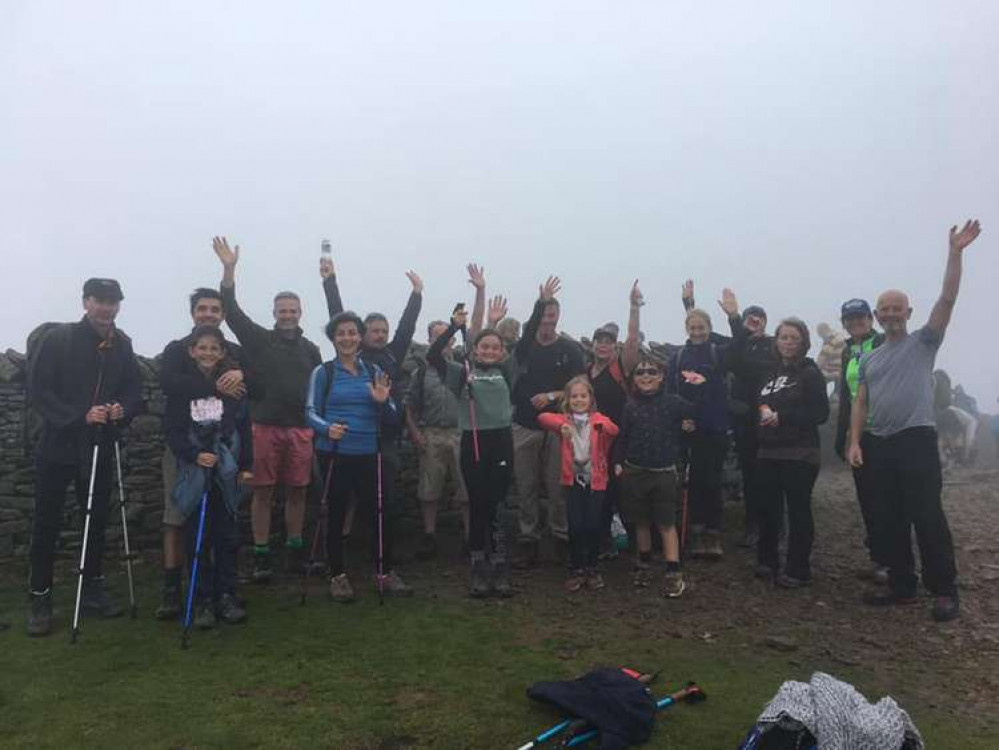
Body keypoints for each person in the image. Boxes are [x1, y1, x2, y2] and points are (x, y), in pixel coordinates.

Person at [849, 219, 982, 622]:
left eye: (897, 308)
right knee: (888, 519)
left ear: (908, 312)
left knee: (926, 514)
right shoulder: (868, 356)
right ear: (876, 314)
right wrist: (855, 441)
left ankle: (943, 590)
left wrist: (955, 253)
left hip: (917, 439)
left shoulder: (924, 341)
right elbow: (860, 400)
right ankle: (902, 585)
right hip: (879, 442)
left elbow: (947, 299)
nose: (891, 314)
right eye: (884, 309)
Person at [26, 278, 144, 637]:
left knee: (95, 519)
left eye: (113, 302)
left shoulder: (122, 344)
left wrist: (123, 408)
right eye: (100, 301)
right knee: (46, 521)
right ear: (86, 302)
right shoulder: (58, 339)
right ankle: (40, 596)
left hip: (99, 444)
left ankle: (92, 587)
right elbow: (38, 390)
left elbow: (134, 390)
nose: (107, 308)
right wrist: (80, 414)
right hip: (58, 445)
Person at [213, 237, 322, 583]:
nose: (287, 315)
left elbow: (319, 389)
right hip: (263, 426)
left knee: (298, 491)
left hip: (301, 428)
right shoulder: (260, 339)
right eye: (282, 311)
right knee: (262, 492)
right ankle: (261, 555)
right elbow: (230, 310)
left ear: (300, 313)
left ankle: (294, 551)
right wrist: (229, 269)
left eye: (292, 310)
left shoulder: (311, 349)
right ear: (274, 314)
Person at [155, 288, 252, 620]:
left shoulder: (236, 360)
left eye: (215, 309)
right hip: (191, 459)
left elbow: (245, 417)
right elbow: (170, 387)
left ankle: (226, 593)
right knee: (189, 525)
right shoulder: (175, 350)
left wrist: (244, 375)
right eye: (202, 308)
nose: (208, 313)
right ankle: (195, 597)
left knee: (226, 531)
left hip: (226, 462)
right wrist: (194, 454)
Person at [321, 249, 422, 560]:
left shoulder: (393, 353)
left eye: (384, 331)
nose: (380, 335)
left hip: (386, 437)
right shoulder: (353, 355)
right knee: (343, 497)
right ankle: (345, 544)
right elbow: (338, 315)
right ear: (361, 334)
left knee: (382, 496)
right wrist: (330, 282)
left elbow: (407, 325)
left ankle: (380, 553)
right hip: (351, 435)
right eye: (374, 331)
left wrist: (416, 294)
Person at [306, 311, 405, 602]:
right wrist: (327, 429)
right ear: (333, 338)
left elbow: (393, 415)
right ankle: (337, 575)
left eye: (352, 332)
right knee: (335, 515)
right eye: (341, 333)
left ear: (360, 337)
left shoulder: (373, 371)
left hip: (369, 453)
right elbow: (309, 411)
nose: (347, 338)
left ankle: (385, 571)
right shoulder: (323, 372)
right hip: (335, 453)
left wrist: (383, 402)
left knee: (380, 513)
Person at [428, 280, 518, 597]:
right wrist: (454, 327)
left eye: (495, 347)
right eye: (484, 347)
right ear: (476, 349)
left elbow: (521, 339)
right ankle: (478, 565)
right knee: (478, 504)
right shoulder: (460, 372)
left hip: (501, 441)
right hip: (473, 441)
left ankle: (500, 563)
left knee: (497, 504)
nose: (490, 351)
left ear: (502, 351)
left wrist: (493, 322)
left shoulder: (507, 370)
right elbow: (433, 354)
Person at [683, 281, 775, 548]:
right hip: (740, 417)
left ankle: (768, 525)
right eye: (749, 318)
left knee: (766, 473)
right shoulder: (730, 345)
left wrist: (735, 318)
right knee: (747, 471)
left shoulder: (773, 345)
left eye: (758, 319)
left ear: (766, 323)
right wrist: (689, 305)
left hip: (768, 416)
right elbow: (701, 334)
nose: (753, 322)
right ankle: (751, 526)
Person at [511, 277, 586, 566]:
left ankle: (561, 538)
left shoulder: (570, 349)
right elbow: (528, 329)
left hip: (559, 427)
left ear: (558, 317)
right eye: (543, 314)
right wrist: (540, 301)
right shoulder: (524, 347)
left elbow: (581, 383)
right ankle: (528, 540)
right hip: (524, 425)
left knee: (558, 486)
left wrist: (554, 394)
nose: (547, 320)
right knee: (526, 485)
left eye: (552, 315)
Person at [667, 289, 745, 560]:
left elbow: (740, 345)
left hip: (714, 428)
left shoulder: (717, 354)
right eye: (693, 327)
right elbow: (671, 393)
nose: (697, 332)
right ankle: (696, 533)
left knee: (712, 482)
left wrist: (734, 316)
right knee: (692, 482)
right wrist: (682, 419)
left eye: (702, 327)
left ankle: (713, 534)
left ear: (710, 329)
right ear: (686, 329)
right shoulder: (678, 358)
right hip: (688, 430)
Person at [613, 353, 699, 598]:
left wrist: (691, 424)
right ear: (634, 379)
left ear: (662, 377)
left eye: (652, 371)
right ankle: (644, 563)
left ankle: (673, 570)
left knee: (666, 522)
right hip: (635, 470)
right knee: (640, 521)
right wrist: (618, 462)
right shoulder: (630, 406)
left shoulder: (675, 403)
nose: (646, 376)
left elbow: (697, 415)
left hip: (664, 472)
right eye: (640, 372)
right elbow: (623, 437)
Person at [754, 318, 830, 587]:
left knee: (798, 510)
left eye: (793, 338)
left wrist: (782, 417)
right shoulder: (769, 373)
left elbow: (820, 412)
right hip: (768, 452)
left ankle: (798, 569)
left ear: (803, 343)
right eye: (783, 337)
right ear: (776, 341)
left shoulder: (810, 373)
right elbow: (761, 400)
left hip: (800, 454)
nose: (787, 343)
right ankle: (767, 560)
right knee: (768, 510)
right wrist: (762, 410)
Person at [538, 376, 619, 592]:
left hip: (596, 481)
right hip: (573, 481)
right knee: (575, 525)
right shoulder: (564, 420)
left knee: (592, 525)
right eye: (574, 396)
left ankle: (592, 568)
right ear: (568, 399)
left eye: (583, 396)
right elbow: (543, 417)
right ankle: (576, 568)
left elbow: (614, 430)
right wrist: (563, 425)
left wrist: (599, 424)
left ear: (590, 398)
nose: (579, 400)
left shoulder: (598, 419)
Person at [833, 298, 889, 584]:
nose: (856, 322)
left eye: (861, 317)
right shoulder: (847, 351)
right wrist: (842, 434)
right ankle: (879, 558)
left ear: (871, 318)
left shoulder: (883, 343)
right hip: (859, 435)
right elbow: (846, 394)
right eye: (850, 318)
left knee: (888, 499)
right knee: (867, 498)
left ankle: (895, 561)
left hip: (885, 431)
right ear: (844, 323)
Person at [405, 319, 469, 559]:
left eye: (448, 336)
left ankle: (469, 537)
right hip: (431, 432)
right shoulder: (420, 372)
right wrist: (415, 432)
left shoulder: (464, 370)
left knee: (466, 488)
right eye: (437, 337)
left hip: (461, 432)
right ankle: (429, 535)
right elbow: (410, 405)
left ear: (453, 340)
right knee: (428, 489)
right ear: (430, 340)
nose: (444, 342)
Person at [587, 282, 642, 557]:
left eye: (609, 342)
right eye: (600, 341)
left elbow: (632, 341)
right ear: (593, 345)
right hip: (593, 440)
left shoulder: (620, 367)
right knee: (598, 491)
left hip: (620, 439)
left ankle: (634, 543)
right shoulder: (586, 372)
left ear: (614, 346)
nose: (604, 345)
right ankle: (603, 541)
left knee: (622, 490)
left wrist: (634, 308)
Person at [814, 323, 846, 389]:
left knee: (815, 382)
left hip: (833, 370)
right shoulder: (839, 336)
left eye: (820, 334)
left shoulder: (830, 338)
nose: (821, 336)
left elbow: (823, 357)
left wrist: (814, 369)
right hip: (842, 369)